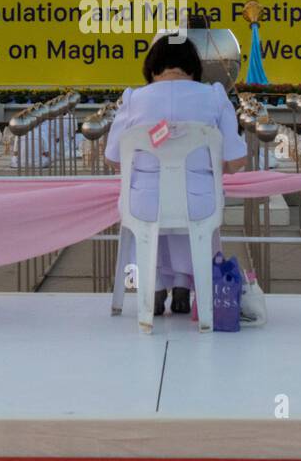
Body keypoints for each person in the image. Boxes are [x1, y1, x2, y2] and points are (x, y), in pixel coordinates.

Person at [104, 34, 246, 314]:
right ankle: (184, 282)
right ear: (193, 66)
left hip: (143, 204)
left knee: (150, 206)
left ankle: (154, 284)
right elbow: (236, 159)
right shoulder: (215, 96)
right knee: (190, 207)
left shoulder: (133, 98)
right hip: (200, 204)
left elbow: (113, 158)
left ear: (152, 67)